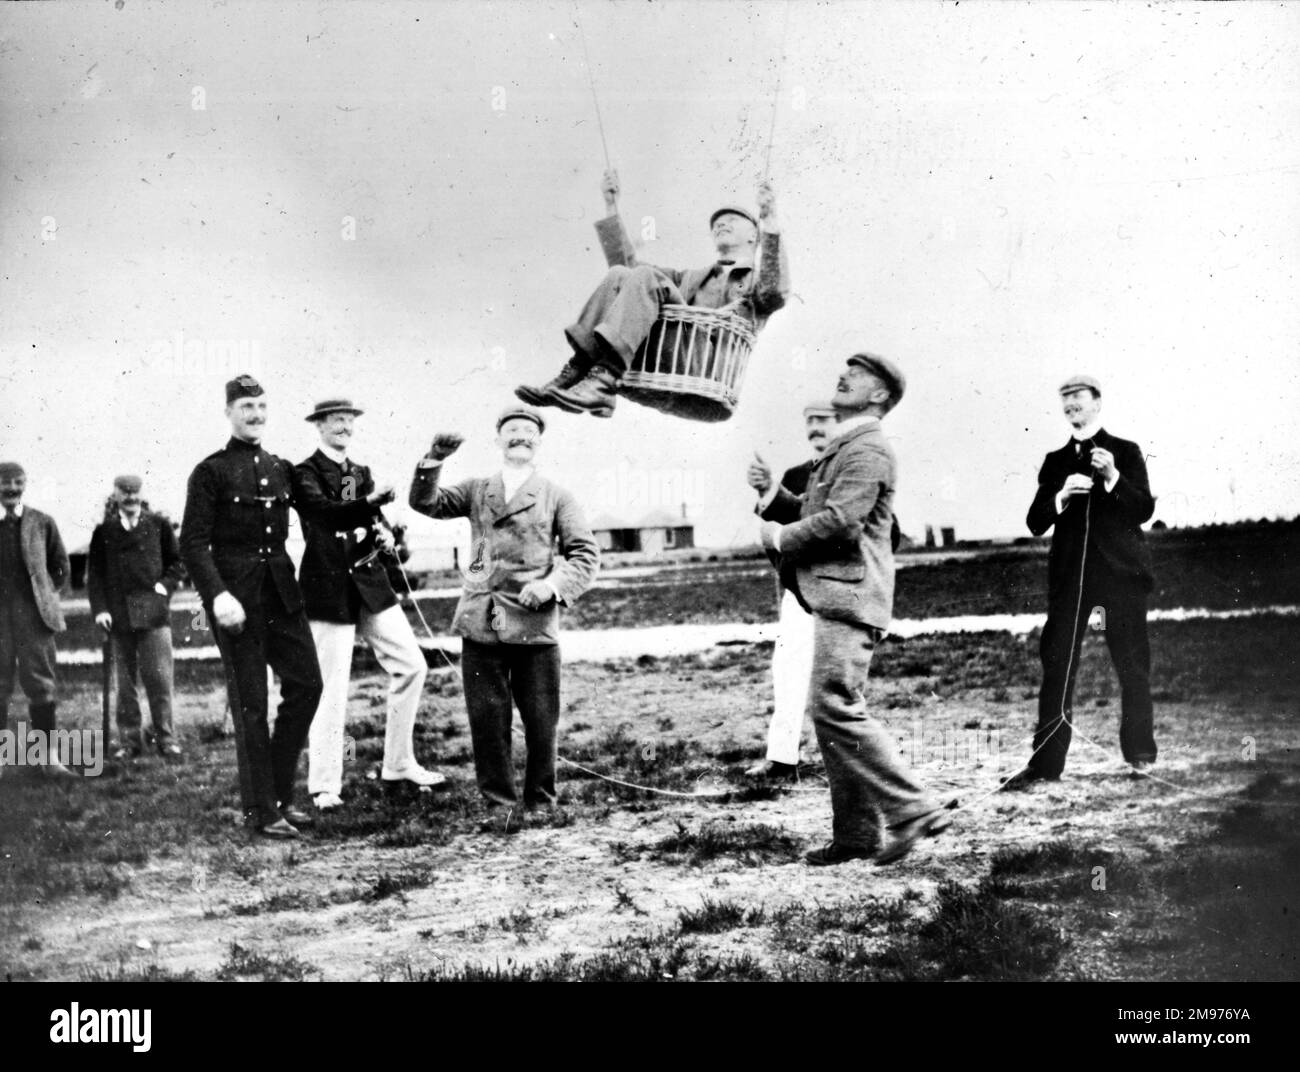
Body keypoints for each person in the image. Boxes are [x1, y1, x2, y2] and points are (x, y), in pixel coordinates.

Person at [759, 354, 949, 866]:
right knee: (832, 712)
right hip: (838, 595)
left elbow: (841, 522)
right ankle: (857, 836)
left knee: (835, 705)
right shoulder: (847, 446)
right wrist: (774, 498)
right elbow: (816, 512)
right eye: (844, 369)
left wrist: (778, 535)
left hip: (850, 596)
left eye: (858, 374)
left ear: (880, 396)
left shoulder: (868, 450)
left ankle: (913, 809)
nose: (842, 377)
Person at [408, 404, 599, 809]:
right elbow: (427, 503)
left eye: (529, 431)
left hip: (535, 622)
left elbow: (585, 554)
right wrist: (434, 460)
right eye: (512, 429)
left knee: (541, 721)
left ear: (539, 441)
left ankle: (542, 799)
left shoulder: (557, 496)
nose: (520, 436)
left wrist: (550, 586)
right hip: (482, 619)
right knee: (487, 720)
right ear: (498, 440)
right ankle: (498, 802)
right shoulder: (478, 490)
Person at [514, 169, 790, 417]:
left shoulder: (756, 281)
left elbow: (775, 293)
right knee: (620, 274)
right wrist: (611, 205)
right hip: (669, 363)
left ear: (754, 235)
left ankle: (605, 377)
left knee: (645, 276)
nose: (721, 224)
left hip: (704, 370)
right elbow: (627, 267)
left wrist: (772, 224)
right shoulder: (691, 279)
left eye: (732, 219)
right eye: (717, 222)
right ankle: (581, 369)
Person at [179, 375, 323, 839]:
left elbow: (321, 513)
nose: (256, 414)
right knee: (252, 706)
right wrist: (218, 596)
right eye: (246, 407)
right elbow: (193, 542)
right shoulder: (210, 472)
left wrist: (370, 513)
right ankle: (262, 810)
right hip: (236, 605)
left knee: (308, 685)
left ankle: (280, 796)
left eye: (262, 406)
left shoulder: (281, 468)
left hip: (283, 597)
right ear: (228, 412)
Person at [1001, 375, 1157, 790]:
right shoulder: (1055, 461)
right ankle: (1045, 764)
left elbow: (1142, 509)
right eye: (1064, 398)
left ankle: (1140, 754)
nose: (1070, 404)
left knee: (1132, 666)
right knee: (1057, 668)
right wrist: (1061, 497)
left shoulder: (1125, 451)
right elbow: (1035, 522)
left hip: (1121, 581)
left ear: (1096, 402)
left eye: (1077, 397)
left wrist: (1112, 477)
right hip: (1072, 581)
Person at [292, 397, 445, 812]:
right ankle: (324, 785)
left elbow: (369, 520)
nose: (344, 426)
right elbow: (325, 514)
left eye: (348, 420)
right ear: (319, 426)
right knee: (331, 686)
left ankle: (399, 764)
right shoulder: (303, 473)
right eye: (335, 420)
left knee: (412, 665)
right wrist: (371, 504)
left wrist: (383, 534)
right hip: (327, 586)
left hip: (368, 582)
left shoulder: (360, 473)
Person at [743, 401, 838, 779]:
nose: (815, 428)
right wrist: (790, 577)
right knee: (787, 672)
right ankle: (782, 760)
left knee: (840, 683)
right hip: (800, 596)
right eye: (809, 421)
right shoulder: (796, 476)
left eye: (823, 420)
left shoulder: (854, 469)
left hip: (843, 596)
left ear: (840, 421)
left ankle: (847, 762)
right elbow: (771, 535)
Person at [87, 474, 184, 759]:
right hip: (118, 615)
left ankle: (166, 738)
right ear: (115, 495)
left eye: (135, 492)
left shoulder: (158, 525)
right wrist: (101, 610)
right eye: (124, 493)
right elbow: (96, 576)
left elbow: (177, 563)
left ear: (141, 494)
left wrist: (163, 587)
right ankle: (129, 741)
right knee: (125, 684)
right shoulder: (104, 532)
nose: (130, 498)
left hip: (153, 612)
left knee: (160, 678)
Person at [0, 461, 74, 777]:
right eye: (6, 483)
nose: (12, 489)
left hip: (34, 618)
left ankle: (49, 761)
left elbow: (61, 566)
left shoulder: (42, 522)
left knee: (41, 686)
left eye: (18, 483)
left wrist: (44, 596)